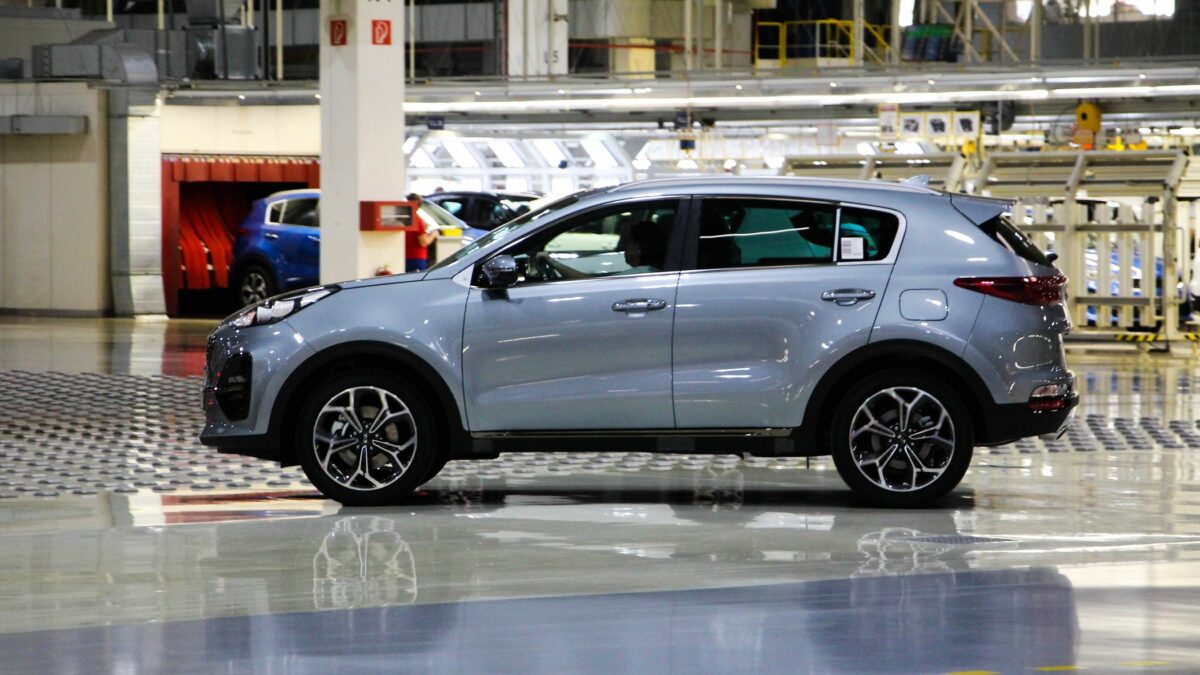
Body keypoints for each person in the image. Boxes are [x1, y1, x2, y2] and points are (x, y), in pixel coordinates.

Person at [405, 192, 437, 272]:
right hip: (417, 258)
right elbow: (424, 242)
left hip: (406, 257)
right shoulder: (418, 220)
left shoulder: (405, 218)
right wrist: (433, 234)